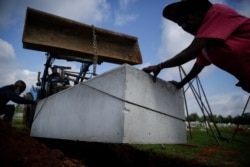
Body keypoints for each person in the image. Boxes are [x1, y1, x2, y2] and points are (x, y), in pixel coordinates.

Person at [142, 0, 250, 93]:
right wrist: (181, 84)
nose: (184, 25)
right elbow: (198, 66)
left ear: (198, 12)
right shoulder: (207, 45)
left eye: (186, 19)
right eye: (180, 24)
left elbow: (190, 53)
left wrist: (160, 66)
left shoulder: (216, 12)